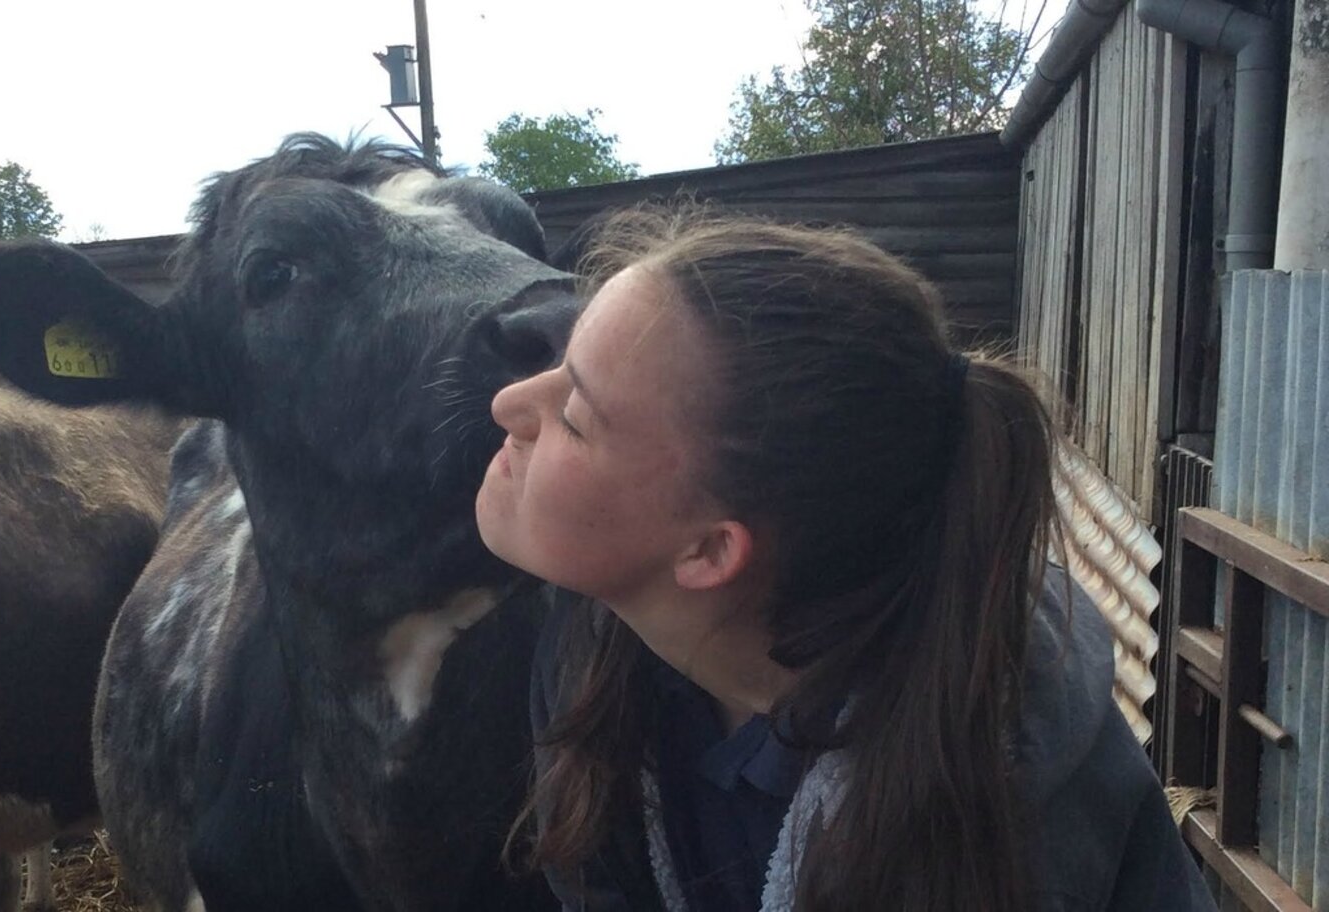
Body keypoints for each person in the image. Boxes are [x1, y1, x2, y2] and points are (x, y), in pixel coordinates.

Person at [474, 205, 1215, 912]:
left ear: (708, 550)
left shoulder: (989, 840)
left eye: (574, 417)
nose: (509, 405)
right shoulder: (596, 649)